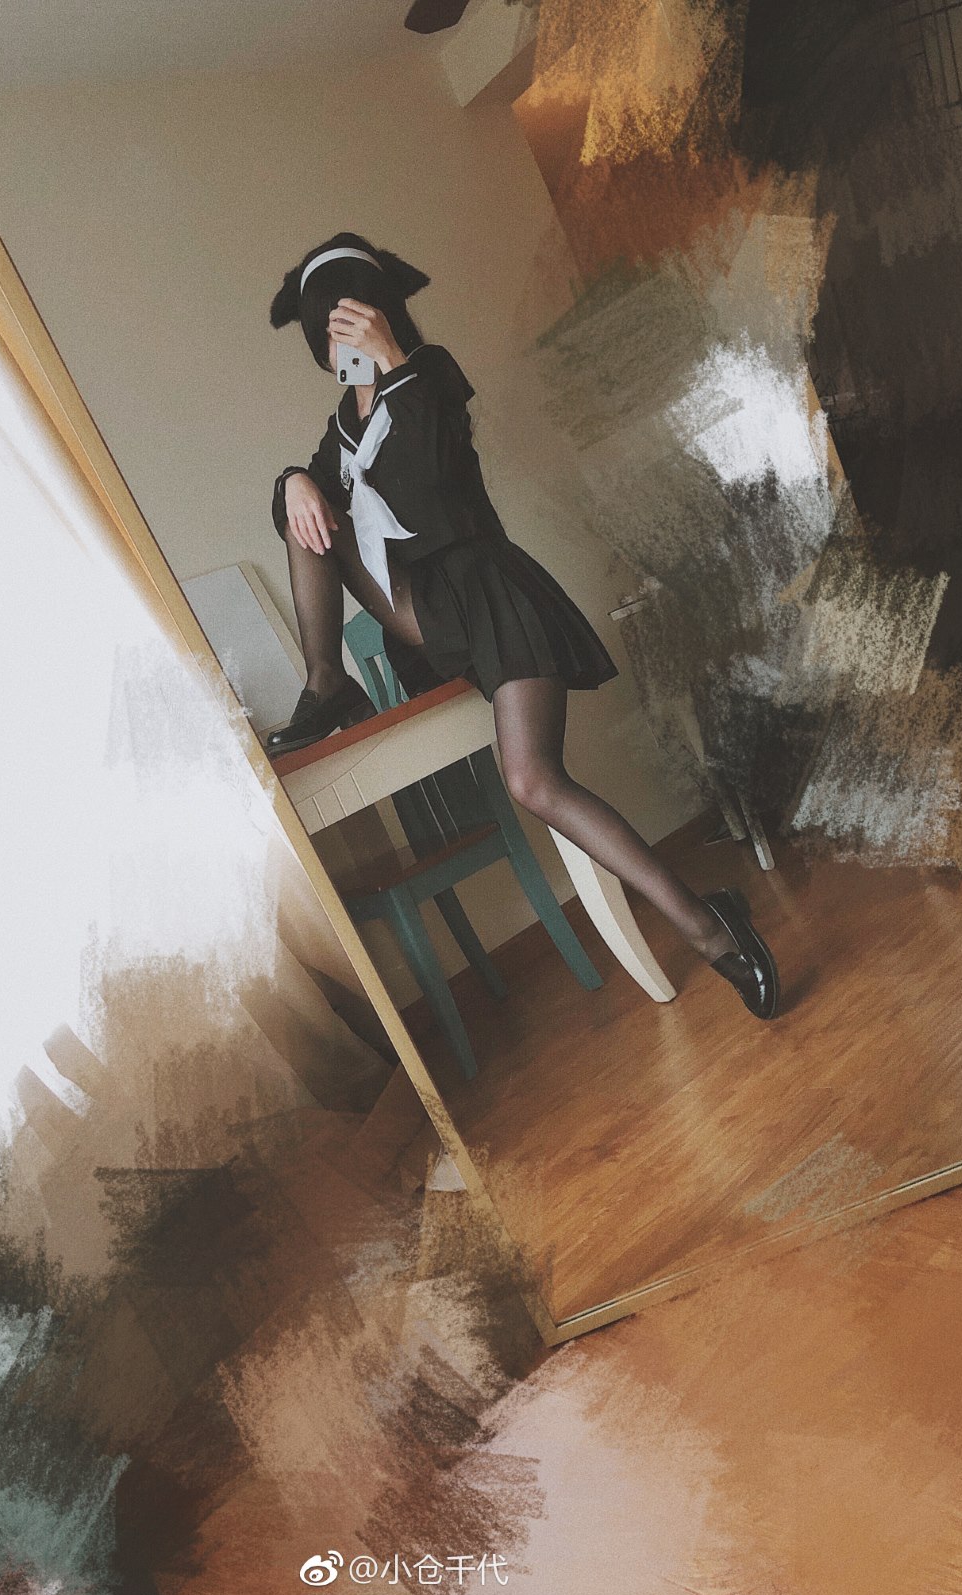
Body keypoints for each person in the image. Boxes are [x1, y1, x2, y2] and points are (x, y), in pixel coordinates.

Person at [265, 233, 780, 1020]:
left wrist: (394, 359)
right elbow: (315, 521)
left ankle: (710, 928)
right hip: (425, 619)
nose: (341, 340)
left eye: (351, 320)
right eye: (327, 330)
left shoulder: (429, 374)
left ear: (381, 314)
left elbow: (437, 479)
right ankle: (326, 680)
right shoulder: (340, 429)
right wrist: (294, 479)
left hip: (490, 595)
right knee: (305, 508)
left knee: (535, 782)